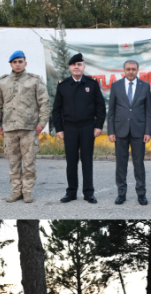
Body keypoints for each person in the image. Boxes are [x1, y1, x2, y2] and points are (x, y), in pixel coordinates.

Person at [0, 50, 49, 203]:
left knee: (29, 161)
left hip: (29, 128)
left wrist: (41, 124)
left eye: (20, 61)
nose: (17, 64)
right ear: (11, 64)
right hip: (9, 129)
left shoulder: (34, 81)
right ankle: (16, 190)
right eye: (15, 62)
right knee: (13, 162)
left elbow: (44, 102)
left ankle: (27, 190)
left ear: (25, 63)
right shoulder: (2, 82)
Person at [52, 53, 106, 204]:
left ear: (83, 67)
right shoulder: (63, 85)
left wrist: (98, 125)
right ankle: (71, 192)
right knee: (71, 161)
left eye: (79, 64)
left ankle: (89, 193)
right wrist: (59, 128)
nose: (76, 67)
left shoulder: (92, 83)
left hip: (88, 127)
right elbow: (57, 109)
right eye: (74, 65)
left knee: (87, 160)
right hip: (69, 128)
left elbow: (100, 106)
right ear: (70, 67)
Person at [108, 60, 151, 205]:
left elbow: (148, 112)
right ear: (124, 70)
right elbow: (112, 110)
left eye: (133, 69)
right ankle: (121, 194)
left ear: (138, 70)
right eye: (128, 69)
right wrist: (111, 131)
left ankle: (141, 194)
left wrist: (148, 131)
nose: (131, 71)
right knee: (121, 165)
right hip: (120, 130)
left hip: (139, 131)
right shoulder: (116, 86)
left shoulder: (145, 86)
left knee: (138, 164)